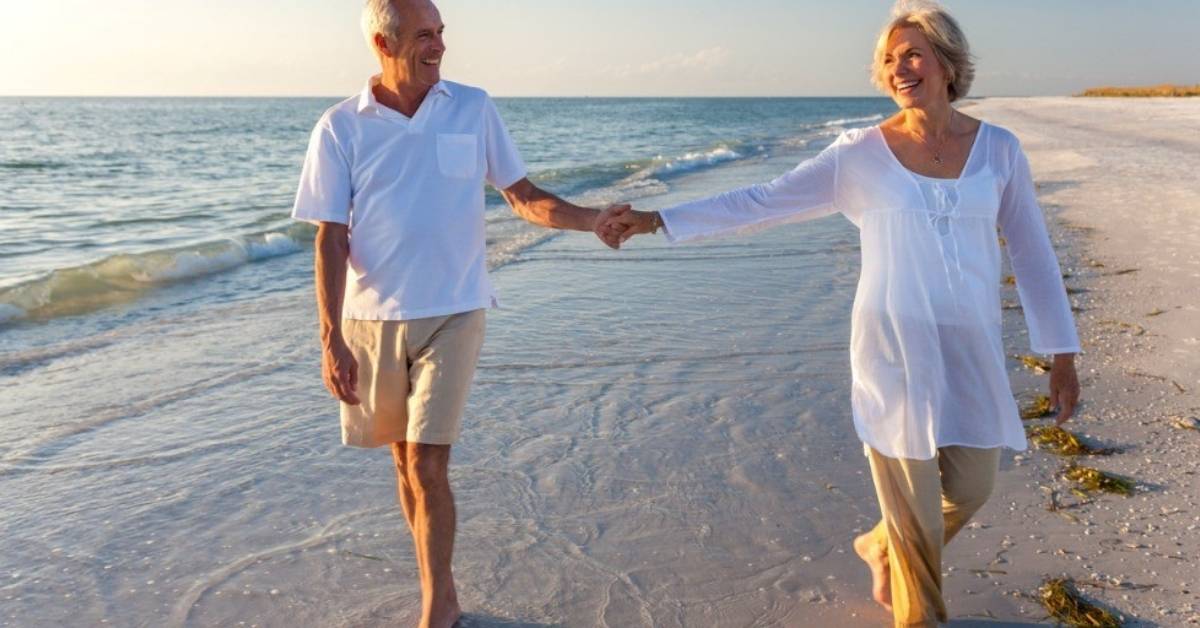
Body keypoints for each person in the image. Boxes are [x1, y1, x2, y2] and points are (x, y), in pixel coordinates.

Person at [603, 2, 1081, 625]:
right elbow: (763, 200)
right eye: (887, 59)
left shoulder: (998, 150)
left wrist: (1062, 354)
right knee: (915, 520)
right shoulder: (859, 153)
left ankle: (879, 544)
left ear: (946, 61)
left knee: (969, 489)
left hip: (971, 349)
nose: (898, 68)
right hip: (893, 350)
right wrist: (660, 218)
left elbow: (1033, 251)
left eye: (911, 53)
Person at [291, 1, 625, 626]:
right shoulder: (339, 127)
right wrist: (331, 338)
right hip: (372, 319)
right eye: (425, 35)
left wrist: (590, 220)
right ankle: (433, 579)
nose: (440, 46)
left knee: (427, 462)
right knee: (401, 461)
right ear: (383, 45)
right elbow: (330, 237)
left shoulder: (472, 107)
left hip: (457, 309)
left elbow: (522, 196)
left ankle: (437, 603)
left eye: (442, 33)